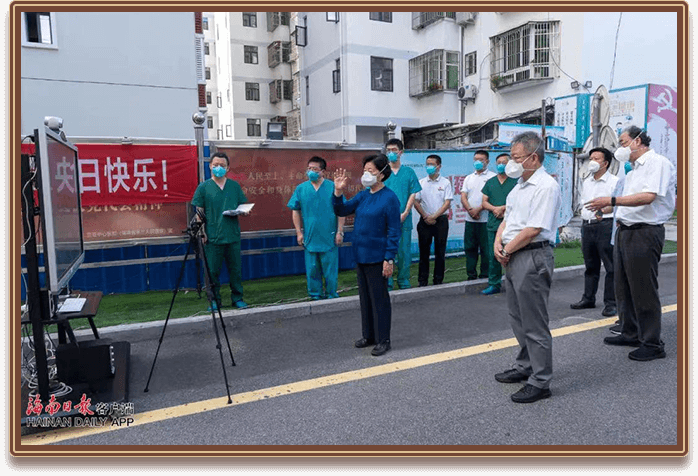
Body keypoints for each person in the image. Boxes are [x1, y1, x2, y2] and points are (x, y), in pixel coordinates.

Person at [586, 126, 676, 361]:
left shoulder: (657, 163)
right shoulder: (634, 170)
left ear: (638, 141)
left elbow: (648, 197)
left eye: (623, 142)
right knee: (623, 286)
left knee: (643, 288)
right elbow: (628, 201)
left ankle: (652, 343)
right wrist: (607, 207)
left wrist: (612, 200)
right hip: (625, 230)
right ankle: (630, 331)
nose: (620, 148)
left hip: (644, 232)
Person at [493, 132, 561, 403]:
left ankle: (541, 381)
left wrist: (507, 249)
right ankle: (526, 365)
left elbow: (533, 228)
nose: (511, 163)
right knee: (518, 317)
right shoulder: (519, 186)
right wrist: (498, 242)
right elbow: (507, 220)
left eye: (516, 157)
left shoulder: (546, 186)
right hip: (514, 254)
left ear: (533, 157)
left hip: (531, 256)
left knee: (534, 322)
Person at [333, 154, 401, 357]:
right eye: (364, 171)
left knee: (379, 300)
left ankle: (383, 339)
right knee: (365, 299)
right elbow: (342, 209)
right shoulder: (363, 195)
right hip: (361, 255)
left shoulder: (390, 198)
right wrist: (338, 191)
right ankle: (369, 335)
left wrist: (389, 258)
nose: (366, 174)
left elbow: (394, 231)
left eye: (370, 171)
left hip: (378, 257)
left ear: (382, 174)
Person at [191, 152, 249, 310]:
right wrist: (202, 231)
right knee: (212, 271)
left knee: (235, 270)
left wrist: (243, 211)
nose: (218, 168)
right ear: (210, 166)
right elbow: (199, 211)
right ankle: (214, 300)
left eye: (222, 165)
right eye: (215, 165)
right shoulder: (203, 188)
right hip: (212, 236)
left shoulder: (234, 186)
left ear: (228, 168)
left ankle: (237, 298)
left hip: (232, 235)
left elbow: (242, 204)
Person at [287, 156, 346, 300]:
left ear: (323, 171)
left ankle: (331, 294)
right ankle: (315, 295)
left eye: (314, 169)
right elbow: (295, 210)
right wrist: (298, 232)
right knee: (312, 268)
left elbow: (341, 210)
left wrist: (340, 232)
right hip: (310, 236)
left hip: (329, 235)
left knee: (330, 269)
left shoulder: (333, 187)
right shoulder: (301, 189)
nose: (311, 172)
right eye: (309, 169)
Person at [572, 147, 619, 317]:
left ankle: (611, 303)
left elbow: (618, 203)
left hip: (605, 225)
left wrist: (605, 210)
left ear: (605, 163)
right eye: (590, 158)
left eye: (596, 159)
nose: (592, 162)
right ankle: (588, 298)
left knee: (610, 266)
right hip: (587, 225)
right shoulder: (587, 182)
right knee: (590, 265)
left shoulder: (614, 181)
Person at [383, 138, 422, 290]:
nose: (391, 153)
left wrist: (405, 212)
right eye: (388, 150)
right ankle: (387, 282)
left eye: (394, 150)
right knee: (387, 251)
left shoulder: (408, 172)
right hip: (385, 220)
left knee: (404, 252)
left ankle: (404, 280)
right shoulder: (382, 172)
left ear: (401, 152)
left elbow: (413, 193)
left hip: (404, 219)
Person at [413, 154, 453, 286]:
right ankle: (422, 280)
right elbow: (416, 201)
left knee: (440, 252)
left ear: (439, 166)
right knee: (423, 252)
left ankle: (438, 280)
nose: (429, 167)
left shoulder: (445, 182)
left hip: (440, 220)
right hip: (424, 220)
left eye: (432, 164)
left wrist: (434, 216)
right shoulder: (421, 182)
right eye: (427, 164)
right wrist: (425, 216)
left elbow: (447, 203)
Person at [480, 153, 517, 295]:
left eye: (504, 162)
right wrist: (495, 209)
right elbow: (484, 202)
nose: (501, 165)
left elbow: (519, 201)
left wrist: (503, 208)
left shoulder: (516, 182)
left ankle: (515, 283)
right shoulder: (490, 182)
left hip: (512, 224)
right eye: (498, 163)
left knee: (513, 254)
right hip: (493, 223)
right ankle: (494, 284)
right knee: (493, 255)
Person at [460, 150, 496, 281]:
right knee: (470, 248)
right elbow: (463, 196)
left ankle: (485, 275)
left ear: (487, 161)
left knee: (486, 250)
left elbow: (492, 197)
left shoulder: (493, 177)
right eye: (475, 160)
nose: (477, 162)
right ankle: (471, 276)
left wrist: (479, 210)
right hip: (470, 220)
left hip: (486, 220)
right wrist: (470, 210)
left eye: (481, 160)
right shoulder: (469, 178)